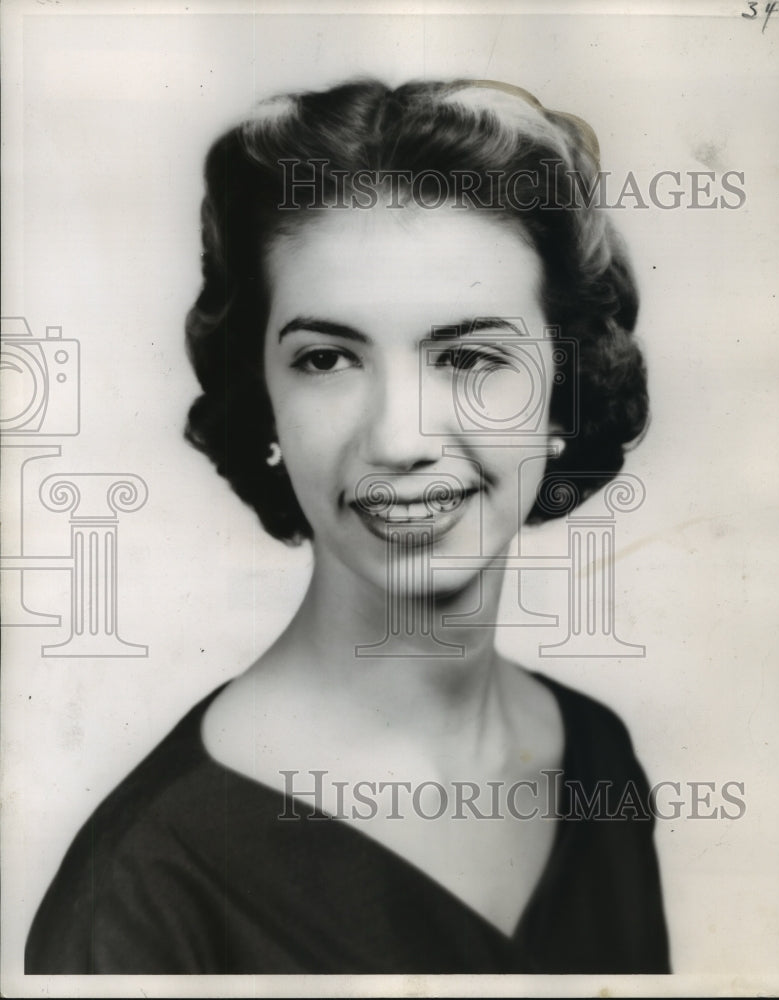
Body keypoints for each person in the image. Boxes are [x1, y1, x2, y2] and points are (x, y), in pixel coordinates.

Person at [25, 78, 669, 975]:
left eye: (469, 357)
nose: (399, 439)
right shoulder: (144, 896)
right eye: (327, 359)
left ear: (561, 391)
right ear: (266, 404)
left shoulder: (594, 756)